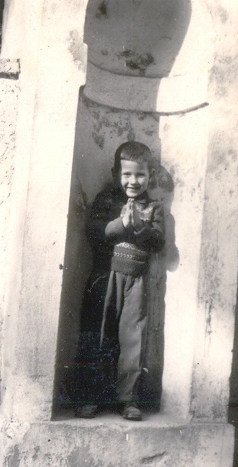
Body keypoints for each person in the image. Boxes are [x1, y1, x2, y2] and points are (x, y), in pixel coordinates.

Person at [69, 141, 165, 420]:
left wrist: (142, 227)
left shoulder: (154, 208)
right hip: (104, 278)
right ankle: (90, 396)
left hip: (136, 282)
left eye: (140, 175)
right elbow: (94, 232)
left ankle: (128, 399)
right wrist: (121, 224)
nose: (133, 181)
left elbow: (158, 242)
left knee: (133, 339)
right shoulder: (106, 201)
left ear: (150, 176)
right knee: (98, 336)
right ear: (115, 174)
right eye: (127, 174)